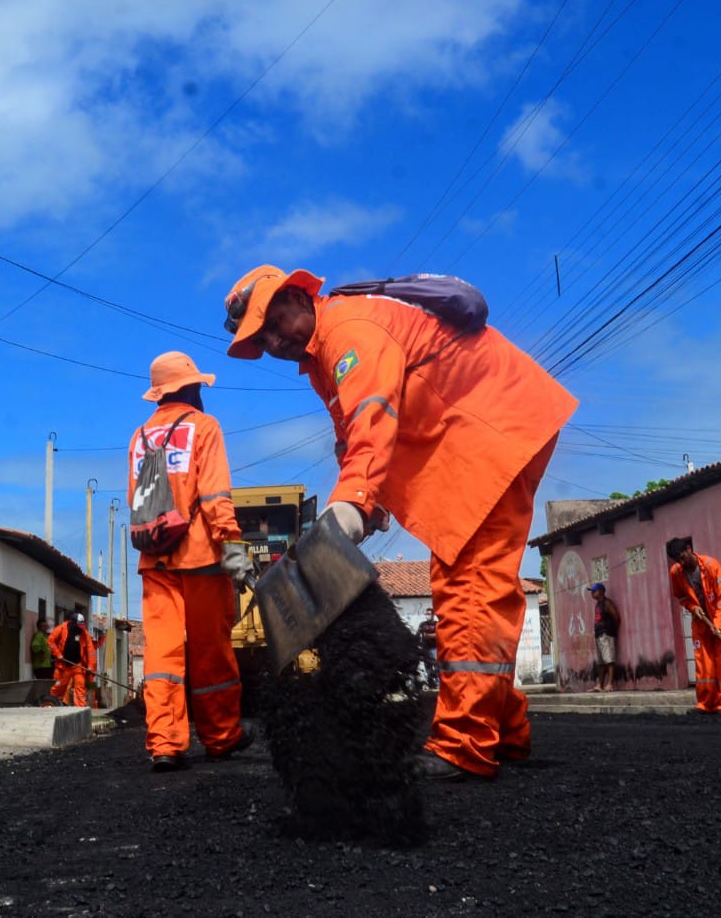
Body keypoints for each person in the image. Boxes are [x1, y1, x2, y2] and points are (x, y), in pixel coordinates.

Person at [222, 265, 576, 782]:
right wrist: (366, 499)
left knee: (469, 584)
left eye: (276, 323)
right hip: (482, 431)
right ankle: (504, 730)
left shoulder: (347, 329)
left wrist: (354, 499)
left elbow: (373, 412)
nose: (275, 342)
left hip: (491, 428)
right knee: (465, 580)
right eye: (264, 338)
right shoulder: (325, 355)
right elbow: (353, 436)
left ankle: (464, 743)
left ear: (300, 296)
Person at [127, 351, 255, 773]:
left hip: (155, 559)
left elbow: (137, 501)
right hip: (201, 557)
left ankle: (164, 743)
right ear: (191, 388)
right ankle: (221, 737)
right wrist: (232, 545)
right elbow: (214, 495)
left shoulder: (140, 437)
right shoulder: (204, 427)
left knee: (162, 654)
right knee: (210, 652)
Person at [666, 537, 721, 716]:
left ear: (689, 549)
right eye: (677, 560)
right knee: (704, 664)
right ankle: (705, 704)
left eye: (682, 557)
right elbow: (681, 596)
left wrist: (719, 624)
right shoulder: (676, 572)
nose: (681, 562)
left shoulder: (711, 565)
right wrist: (692, 607)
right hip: (701, 622)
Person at [49, 613, 100, 708]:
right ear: (72, 623)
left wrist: (90, 666)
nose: (81, 628)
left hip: (77, 665)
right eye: (79, 625)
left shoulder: (84, 633)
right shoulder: (61, 629)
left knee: (80, 687)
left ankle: (80, 709)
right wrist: (58, 654)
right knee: (58, 687)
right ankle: (50, 704)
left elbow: (91, 651)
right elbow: (51, 641)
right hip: (63, 665)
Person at [587, 583, 620, 692]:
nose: (592, 593)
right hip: (599, 636)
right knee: (601, 662)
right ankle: (600, 685)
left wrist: (612, 631)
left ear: (601, 591)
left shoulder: (607, 603)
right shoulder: (598, 604)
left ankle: (610, 684)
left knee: (609, 660)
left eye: (594, 591)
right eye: (591, 591)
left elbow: (616, 617)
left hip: (606, 635)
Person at [417, 610, 439, 688]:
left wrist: (428, 635)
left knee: (436, 666)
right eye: (426, 614)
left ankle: (438, 683)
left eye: (429, 614)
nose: (427, 615)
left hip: (435, 648)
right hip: (425, 648)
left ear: (433, 615)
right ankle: (431, 683)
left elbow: (438, 634)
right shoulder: (422, 624)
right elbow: (419, 634)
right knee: (427, 667)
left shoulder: (437, 624)